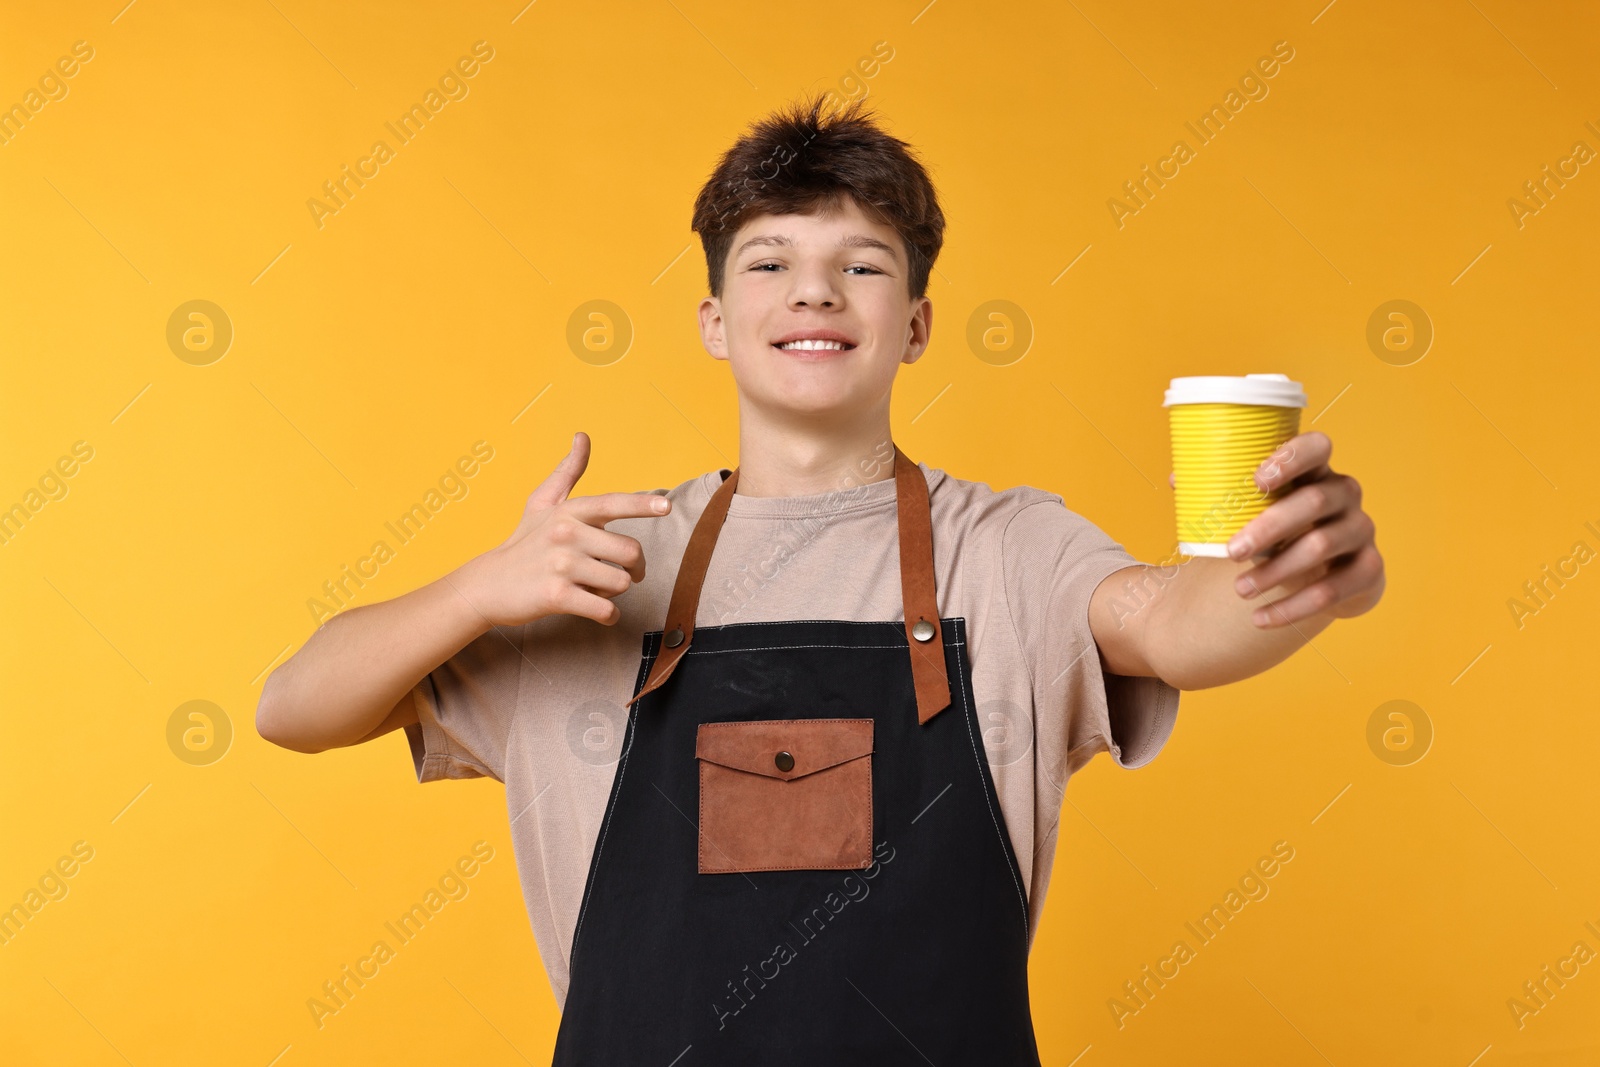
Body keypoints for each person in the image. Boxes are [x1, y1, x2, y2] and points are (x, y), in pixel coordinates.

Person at [256, 93, 1384, 1063]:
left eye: (861, 265)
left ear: (917, 322)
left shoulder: (1004, 550)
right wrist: (479, 589)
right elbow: (291, 708)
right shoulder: (596, 566)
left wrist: (1290, 568)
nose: (814, 293)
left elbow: (1178, 625)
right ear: (713, 319)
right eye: (769, 262)